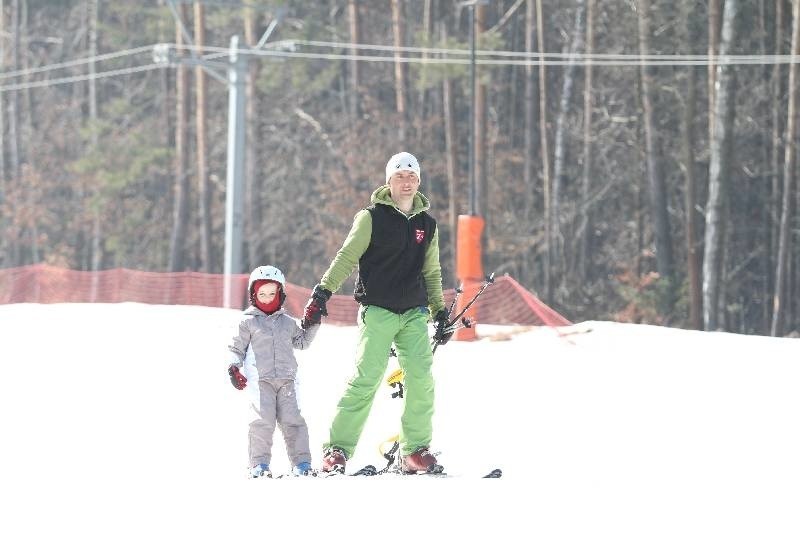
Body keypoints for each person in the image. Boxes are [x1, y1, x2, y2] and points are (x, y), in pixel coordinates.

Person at [302, 151, 454, 474]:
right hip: (379, 309)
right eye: (399, 177)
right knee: (367, 378)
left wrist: (439, 311)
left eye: (412, 177)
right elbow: (346, 257)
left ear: (418, 182)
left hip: (414, 312)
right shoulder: (371, 218)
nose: (406, 183)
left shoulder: (428, 225)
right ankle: (337, 450)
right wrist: (323, 291)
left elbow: (432, 272)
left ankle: (414, 451)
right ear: (388, 182)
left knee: (421, 378)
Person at [227, 265, 319, 478]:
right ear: (253, 294)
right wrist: (233, 368)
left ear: (281, 294)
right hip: (261, 382)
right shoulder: (247, 322)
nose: (267, 298)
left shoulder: (287, 322)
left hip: (287, 381)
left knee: (293, 421)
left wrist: (313, 323)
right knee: (262, 422)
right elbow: (235, 348)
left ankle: (302, 463)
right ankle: (259, 465)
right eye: (262, 294)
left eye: (272, 293)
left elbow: (302, 342)